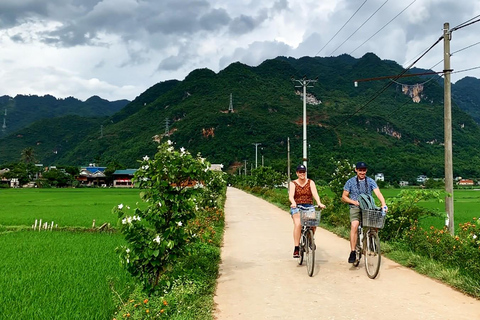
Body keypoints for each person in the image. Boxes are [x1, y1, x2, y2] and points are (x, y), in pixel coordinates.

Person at [342, 161, 387, 263]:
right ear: (356, 170)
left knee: (376, 221)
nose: (362, 172)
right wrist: (354, 202)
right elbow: (344, 197)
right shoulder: (350, 182)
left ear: (366, 170)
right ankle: (353, 251)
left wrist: (383, 203)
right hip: (355, 206)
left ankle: (372, 240)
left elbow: (378, 193)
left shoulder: (370, 181)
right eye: (360, 170)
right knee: (354, 225)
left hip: (368, 206)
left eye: (364, 170)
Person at [289, 164, 326, 258]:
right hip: (297, 206)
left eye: (303, 172)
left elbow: (315, 193)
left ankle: (310, 239)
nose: (302, 174)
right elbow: (291, 196)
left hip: (309, 206)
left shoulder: (310, 182)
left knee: (313, 222)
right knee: (298, 224)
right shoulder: (293, 183)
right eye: (300, 172)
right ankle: (296, 247)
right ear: (297, 173)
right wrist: (293, 203)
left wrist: (319, 202)